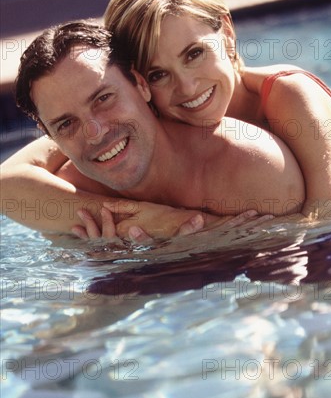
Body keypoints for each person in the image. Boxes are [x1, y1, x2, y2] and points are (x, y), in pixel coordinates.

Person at [1, 20, 307, 240]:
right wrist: (147, 227)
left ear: (140, 84)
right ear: (49, 134)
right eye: (66, 124)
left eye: (104, 99)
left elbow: (311, 280)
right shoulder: (68, 199)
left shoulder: (252, 170)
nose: (95, 132)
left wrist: (199, 237)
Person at [104, 0, 331, 204]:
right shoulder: (156, 127)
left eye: (194, 54)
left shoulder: (292, 96)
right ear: (139, 83)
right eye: (157, 75)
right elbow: (67, 161)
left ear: (227, 33)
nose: (187, 87)